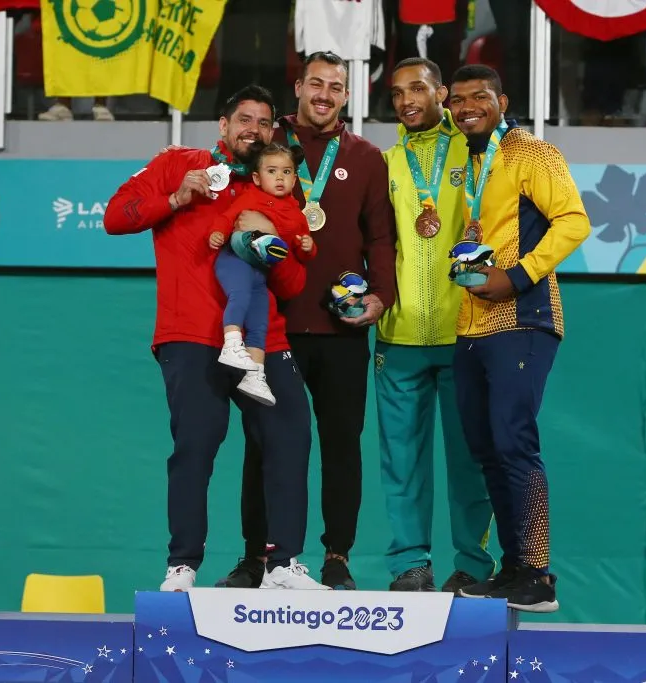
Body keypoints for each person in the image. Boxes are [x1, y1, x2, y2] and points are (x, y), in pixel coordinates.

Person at [103, 84, 328, 592]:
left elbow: (292, 283)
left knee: (291, 435)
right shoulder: (178, 164)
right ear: (222, 126)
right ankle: (182, 565)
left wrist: (267, 243)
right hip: (191, 336)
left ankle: (282, 565)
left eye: (265, 122)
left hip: (262, 340)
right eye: (244, 119)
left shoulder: (277, 189)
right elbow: (114, 218)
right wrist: (176, 196)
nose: (254, 129)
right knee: (196, 447)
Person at [217, 51, 398, 591]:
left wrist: (382, 297)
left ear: (348, 95)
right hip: (275, 327)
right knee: (263, 445)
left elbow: (380, 237)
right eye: (315, 83)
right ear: (297, 86)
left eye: (336, 86)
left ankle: (337, 556)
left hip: (343, 329)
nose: (324, 93)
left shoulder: (366, 157)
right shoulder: (270, 148)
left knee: (343, 444)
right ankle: (258, 557)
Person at [446, 64, 590, 611]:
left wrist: (517, 277)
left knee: (513, 442)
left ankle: (537, 573)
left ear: (501, 100)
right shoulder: (469, 161)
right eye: (457, 100)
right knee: (486, 450)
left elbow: (573, 221)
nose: (467, 107)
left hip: (524, 318)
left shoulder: (532, 152)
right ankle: (512, 569)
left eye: (479, 97)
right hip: (472, 324)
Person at [377, 57, 495, 593]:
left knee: (471, 460)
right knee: (402, 462)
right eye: (398, 92)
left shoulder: (474, 150)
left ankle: (472, 566)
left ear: (442, 93)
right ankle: (409, 565)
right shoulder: (386, 162)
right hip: (397, 337)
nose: (407, 100)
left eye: (418, 88)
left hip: (463, 329)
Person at [208, 142, 319, 405]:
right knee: (241, 295)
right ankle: (232, 342)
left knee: (259, 319)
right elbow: (227, 217)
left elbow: (299, 254)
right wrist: (218, 233)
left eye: (286, 172)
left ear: (295, 178)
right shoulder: (250, 197)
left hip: (260, 273)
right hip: (234, 261)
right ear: (257, 177)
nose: (280, 178)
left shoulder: (296, 213)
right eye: (272, 171)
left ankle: (254, 374)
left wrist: (308, 248)